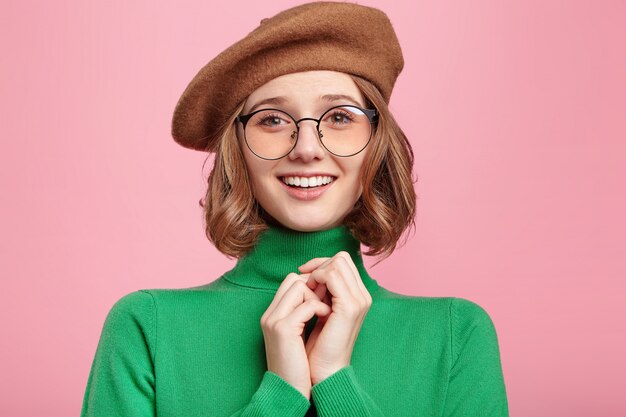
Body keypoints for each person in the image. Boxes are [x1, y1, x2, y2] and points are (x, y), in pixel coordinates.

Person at [80, 2, 509, 416]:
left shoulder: (456, 334)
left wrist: (335, 381)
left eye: (339, 117)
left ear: (377, 142)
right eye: (272, 120)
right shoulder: (147, 327)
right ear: (238, 149)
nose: (306, 149)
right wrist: (279, 397)